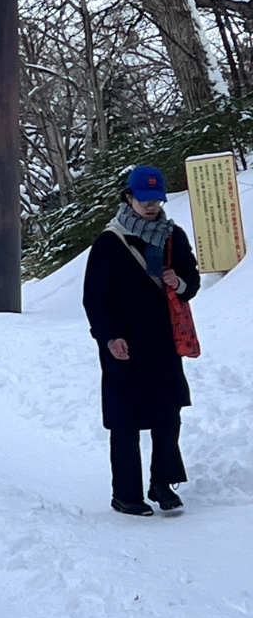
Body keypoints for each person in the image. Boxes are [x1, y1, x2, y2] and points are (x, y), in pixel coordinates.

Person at [82, 165, 200, 516]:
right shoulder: (109, 242)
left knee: (168, 413)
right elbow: (95, 298)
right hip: (124, 345)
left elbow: (191, 281)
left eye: (156, 199)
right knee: (125, 419)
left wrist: (177, 282)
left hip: (163, 343)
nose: (150, 206)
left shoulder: (172, 236)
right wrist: (109, 337)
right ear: (128, 198)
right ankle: (127, 493)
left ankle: (163, 485)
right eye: (143, 199)